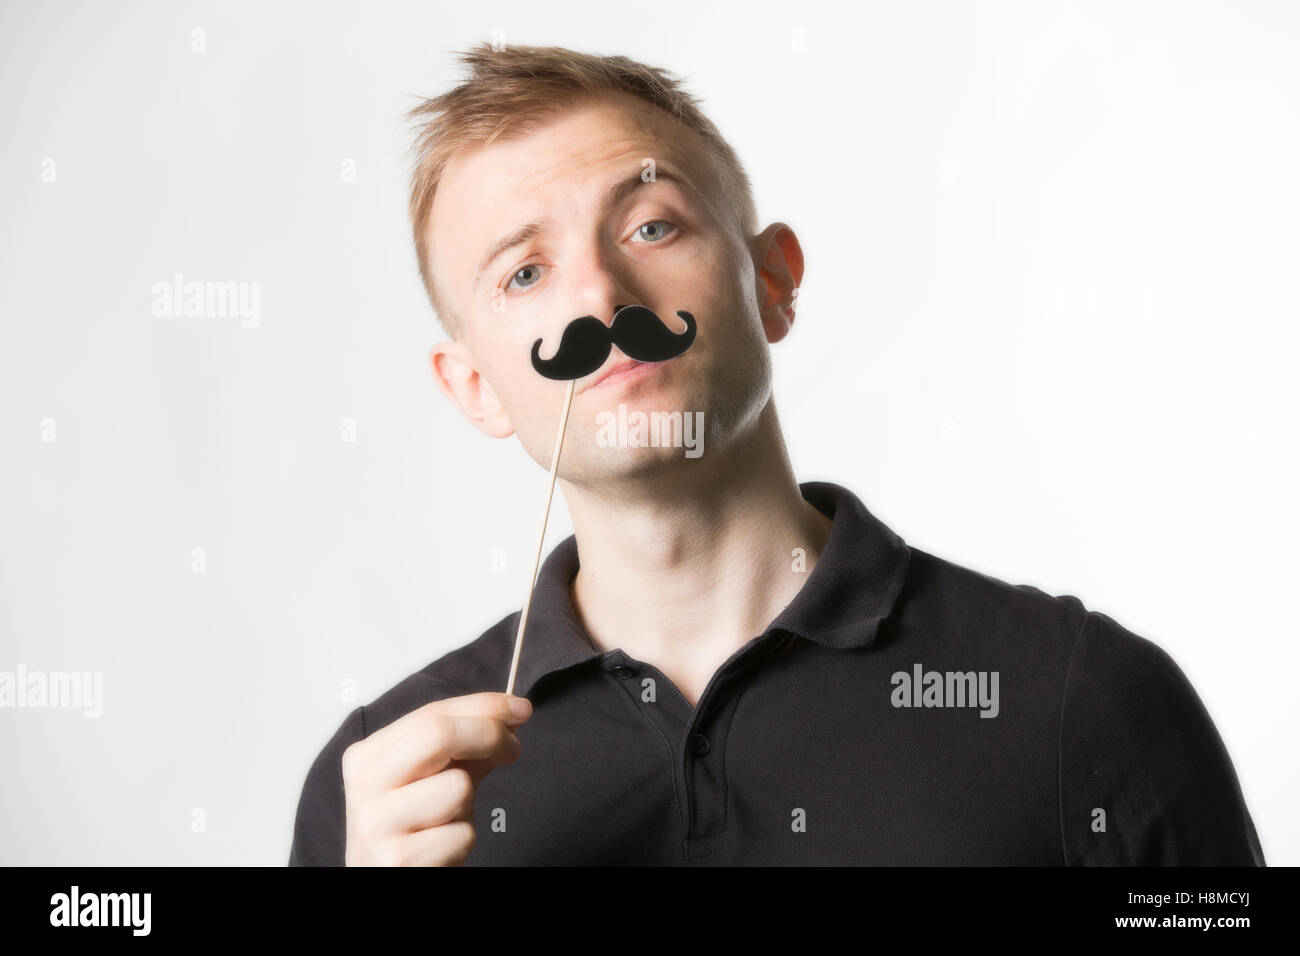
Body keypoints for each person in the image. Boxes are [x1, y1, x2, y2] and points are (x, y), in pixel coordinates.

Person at [289, 43, 1265, 866]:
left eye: (650, 223)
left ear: (774, 283)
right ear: (473, 388)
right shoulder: (386, 783)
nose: (600, 296)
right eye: (526, 270)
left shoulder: (1079, 698)